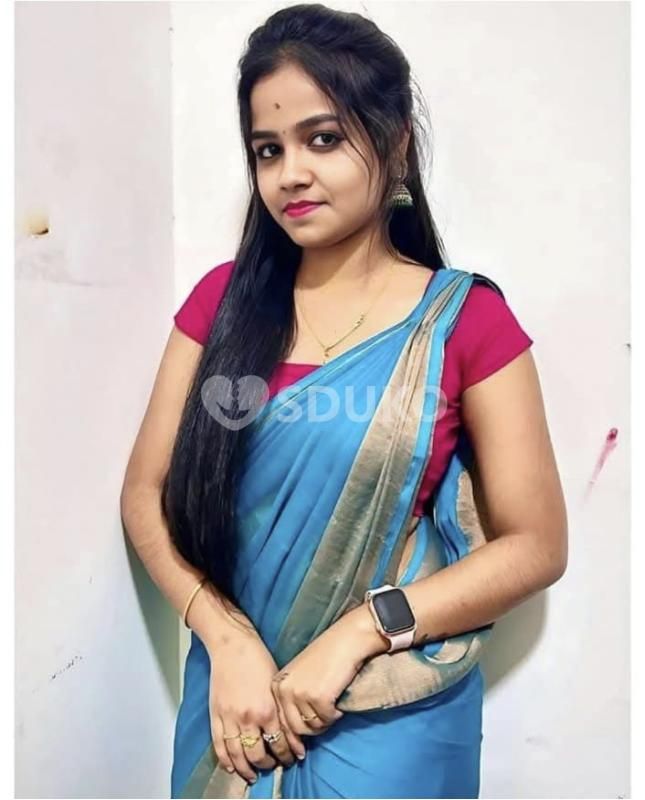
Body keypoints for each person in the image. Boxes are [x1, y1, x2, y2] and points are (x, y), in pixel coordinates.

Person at [119, 4, 568, 798]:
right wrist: (225, 637)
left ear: (395, 142)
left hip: (387, 708)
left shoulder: (463, 321)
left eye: (322, 139)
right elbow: (145, 494)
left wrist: (362, 631)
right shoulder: (222, 307)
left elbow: (535, 545)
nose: (290, 173)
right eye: (268, 149)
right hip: (236, 704)